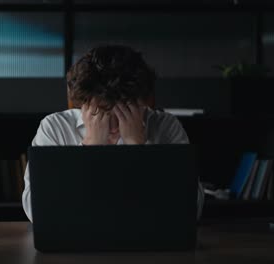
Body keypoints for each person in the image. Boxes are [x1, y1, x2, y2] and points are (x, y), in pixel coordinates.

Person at [22, 45, 204, 221]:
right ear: (84, 104)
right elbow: (35, 210)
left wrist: (138, 147)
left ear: (143, 103)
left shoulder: (166, 126)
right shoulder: (55, 127)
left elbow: (191, 209)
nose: (114, 125)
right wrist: (89, 148)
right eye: (103, 112)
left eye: (126, 111)